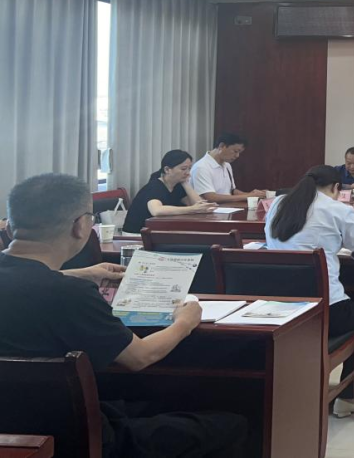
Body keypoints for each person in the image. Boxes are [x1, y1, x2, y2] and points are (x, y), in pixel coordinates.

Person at [0, 173, 245, 457]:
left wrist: (82, 273)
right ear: (81, 226)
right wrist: (184, 322)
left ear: (10, 227)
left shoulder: (61, 286)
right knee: (231, 424)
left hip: (17, 429)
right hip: (78, 438)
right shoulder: (70, 295)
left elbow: (24, 280)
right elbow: (139, 357)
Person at [264, 165, 354, 416]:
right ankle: (349, 398)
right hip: (325, 311)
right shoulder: (339, 209)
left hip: (279, 308)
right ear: (336, 187)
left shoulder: (279, 204)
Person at [123, 150, 217, 233]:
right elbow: (156, 210)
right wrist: (192, 209)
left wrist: (185, 183)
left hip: (157, 231)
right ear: (167, 169)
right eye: (183, 169)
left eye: (189, 168)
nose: (188, 173)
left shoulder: (177, 185)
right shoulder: (155, 186)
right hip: (137, 235)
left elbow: (200, 205)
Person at [190, 132, 266, 203]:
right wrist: (248, 196)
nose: (237, 156)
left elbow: (232, 191)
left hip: (227, 208)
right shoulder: (201, 167)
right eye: (235, 151)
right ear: (221, 146)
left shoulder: (227, 165)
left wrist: (253, 194)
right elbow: (210, 197)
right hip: (209, 210)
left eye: (239, 152)